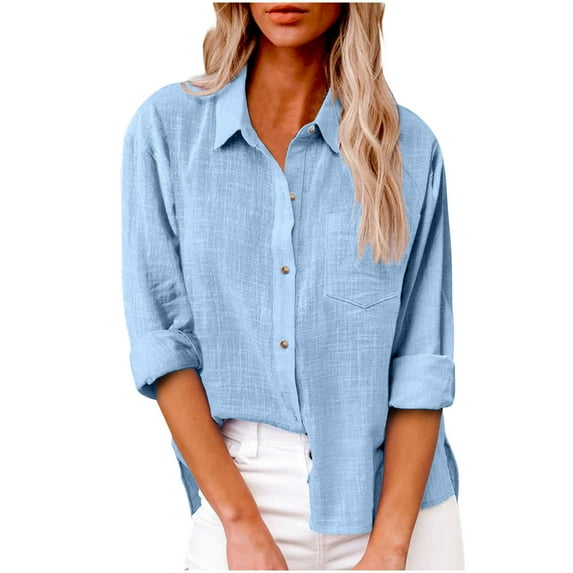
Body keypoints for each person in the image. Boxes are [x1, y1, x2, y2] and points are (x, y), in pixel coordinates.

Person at [121, 2, 465, 570]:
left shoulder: (409, 147)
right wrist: (239, 523)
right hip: (242, 491)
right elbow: (163, 344)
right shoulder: (168, 129)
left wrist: (389, 550)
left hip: (399, 509)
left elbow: (421, 362)